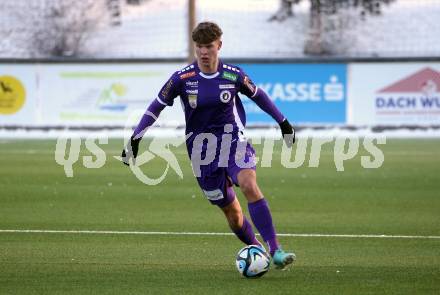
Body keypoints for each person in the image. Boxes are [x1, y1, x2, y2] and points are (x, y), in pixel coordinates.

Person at [122, 22, 296, 269]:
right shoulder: (182, 78)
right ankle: (255, 248)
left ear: (219, 46)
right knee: (233, 215)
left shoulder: (233, 75)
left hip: (233, 141)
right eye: (199, 47)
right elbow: (156, 106)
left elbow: (259, 96)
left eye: (209, 46)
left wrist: (283, 122)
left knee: (248, 184)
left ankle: (276, 250)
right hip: (201, 154)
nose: (204, 52)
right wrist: (136, 137)